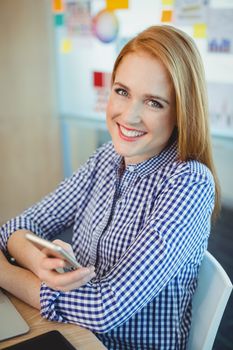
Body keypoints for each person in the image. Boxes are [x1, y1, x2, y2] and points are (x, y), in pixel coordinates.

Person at [0, 25, 220, 350]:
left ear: (181, 112)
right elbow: (16, 228)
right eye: (122, 91)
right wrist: (38, 265)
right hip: (75, 334)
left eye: (154, 103)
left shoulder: (189, 183)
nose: (129, 116)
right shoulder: (107, 158)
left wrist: (5, 274)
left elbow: (105, 309)